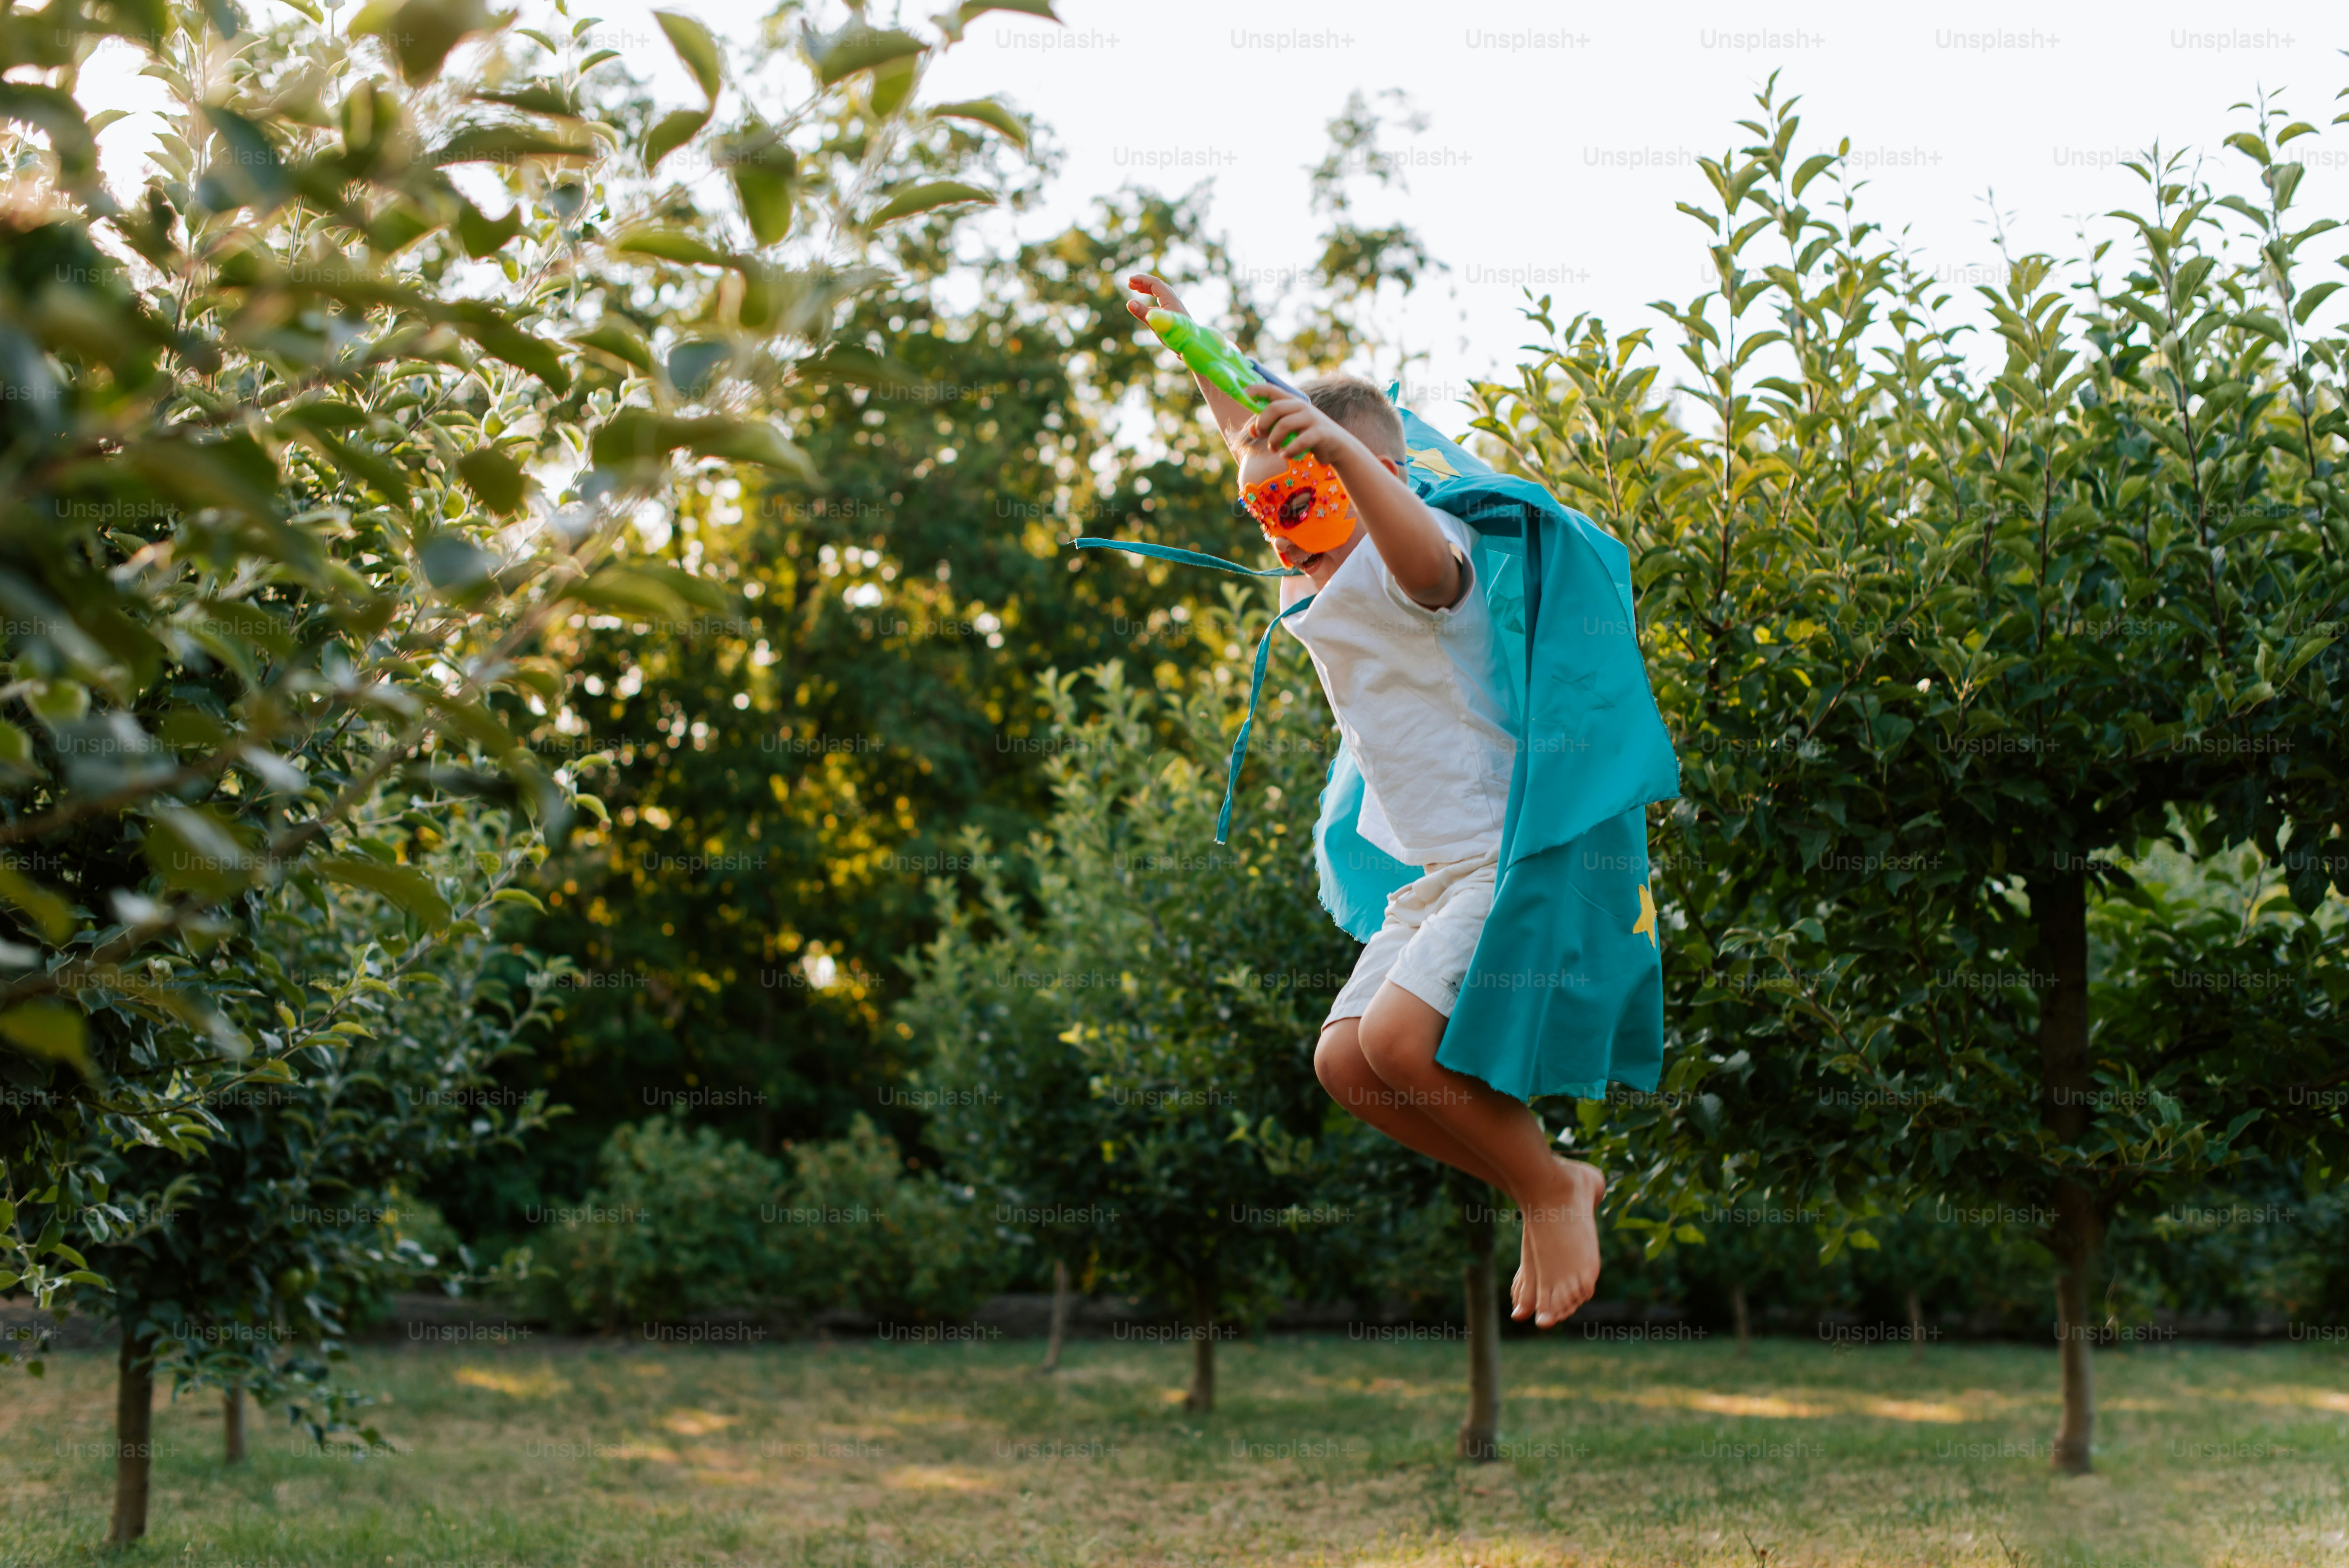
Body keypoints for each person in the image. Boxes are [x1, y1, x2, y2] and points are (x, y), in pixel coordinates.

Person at [1124, 272, 1605, 1329]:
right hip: (1436, 873)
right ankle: (1539, 1180)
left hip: (1504, 856)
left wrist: (1341, 459)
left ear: (1373, 475)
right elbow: (1255, 430)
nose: (1278, 533)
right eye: (1260, 510)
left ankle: (1552, 1186)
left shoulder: (1424, 562)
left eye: (1301, 502)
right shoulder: (1322, 569)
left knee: (1398, 1043)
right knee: (1346, 1062)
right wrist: (1190, 344)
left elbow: (1421, 559)